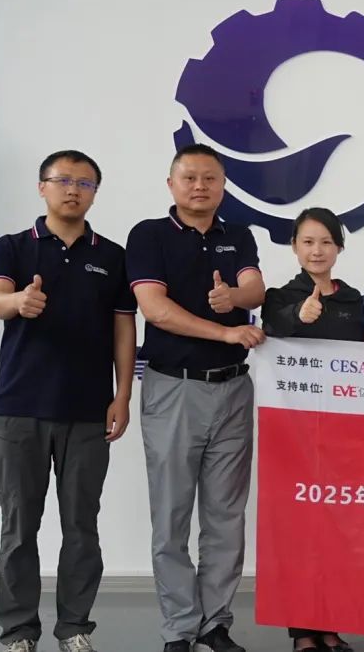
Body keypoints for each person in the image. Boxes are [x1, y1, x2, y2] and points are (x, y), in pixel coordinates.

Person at [0, 150, 136, 652]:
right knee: (18, 528)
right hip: (18, 408)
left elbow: (123, 329)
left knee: (81, 526)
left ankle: (74, 627)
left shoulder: (111, 256)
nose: (73, 190)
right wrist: (17, 302)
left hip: (88, 411)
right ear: (42, 187)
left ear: (95, 193)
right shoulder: (11, 247)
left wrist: (122, 395)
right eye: (63, 180)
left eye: (85, 183)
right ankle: (18, 631)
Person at [126, 144, 266, 652]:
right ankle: (180, 627)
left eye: (210, 178)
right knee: (171, 515)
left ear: (223, 185)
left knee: (225, 515)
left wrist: (235, 298)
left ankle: (215, 623)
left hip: (233, 389)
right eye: (189, 177)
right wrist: (225, 330)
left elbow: (255, 289)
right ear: (171, 184)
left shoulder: (239, 235)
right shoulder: (149, 235)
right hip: (174, 389)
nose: (200, 186)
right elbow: (155, 309)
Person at [262, 207, 363, 651]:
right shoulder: (278, 297)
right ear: (294, 247)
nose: (317, 250)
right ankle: (303, 632)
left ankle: (332, 626)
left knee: (339, 529)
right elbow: (273, 326)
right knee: (299, 530)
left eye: (326, 242)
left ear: (339, 247)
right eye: (307, 242)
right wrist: (299, 316)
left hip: (345, 431)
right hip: (294, 433)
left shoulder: (354, 300)